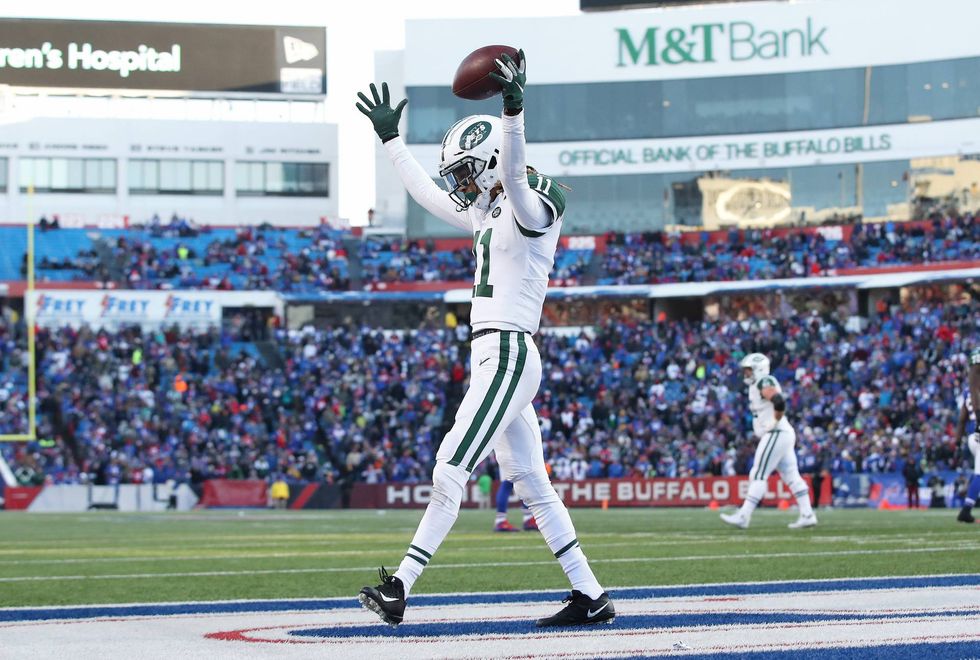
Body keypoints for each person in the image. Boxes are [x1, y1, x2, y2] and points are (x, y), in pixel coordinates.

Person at [355, 50, 613, 628]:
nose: (463, 182)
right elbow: (428, 194)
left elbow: (518, 178)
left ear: (495, 158)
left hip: (509, 352)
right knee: (529, 481)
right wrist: (393, 142)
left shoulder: (529, 203)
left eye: (471, 169)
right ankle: (590, 596)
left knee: (451, 465)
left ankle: (400, 585)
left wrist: (515, 112)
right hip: (493, 355)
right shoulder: (486, 208)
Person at [721, 353, 817, 529]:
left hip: (776, 433)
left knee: (758, 474)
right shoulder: (757, 384)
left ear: (758, 369)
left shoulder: (763, 381)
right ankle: (807, 514)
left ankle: (744, 515)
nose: (746, 374)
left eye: (749, 370)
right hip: (783, 433)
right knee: (791, 476)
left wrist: (774, 420)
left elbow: (778, 401)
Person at [954, 347, 980, 523]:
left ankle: (967, 506)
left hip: (972, 437)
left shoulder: (968, 390)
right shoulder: (975, 390)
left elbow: (962, 419)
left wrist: (957, 441)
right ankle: (966, 509)